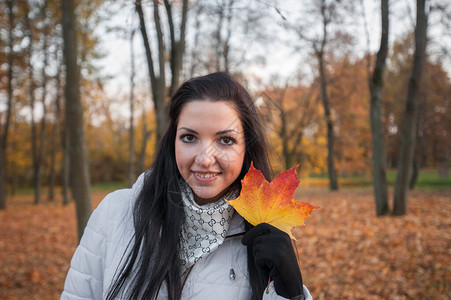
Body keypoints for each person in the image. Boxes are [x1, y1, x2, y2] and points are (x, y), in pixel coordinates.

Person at [61, 72, 313, 300]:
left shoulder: (263, 234)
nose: (204, 159)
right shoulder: (115, 213)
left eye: (225, 140)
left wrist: (290, 295)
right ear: (173, 142)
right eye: (189, 137)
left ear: (246, 148)